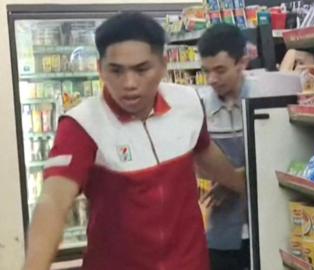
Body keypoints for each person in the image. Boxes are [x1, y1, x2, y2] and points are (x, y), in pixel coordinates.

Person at [22, 12, 245, 270]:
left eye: (142, 69)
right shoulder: (82, 124)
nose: (129, 83)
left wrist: (243, 185)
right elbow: (53, 200)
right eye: (116, 70)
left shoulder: (188, 103)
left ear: (163, 65)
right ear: (99, 69)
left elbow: (205, 153)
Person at [197, 23, 251, 270]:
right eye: (206, 71)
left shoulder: (267, 100)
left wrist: (236, 181)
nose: (212, 80)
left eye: (220, 70)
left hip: (264, 231)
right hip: (218, 237)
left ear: (242, 62)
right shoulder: (198, 110)